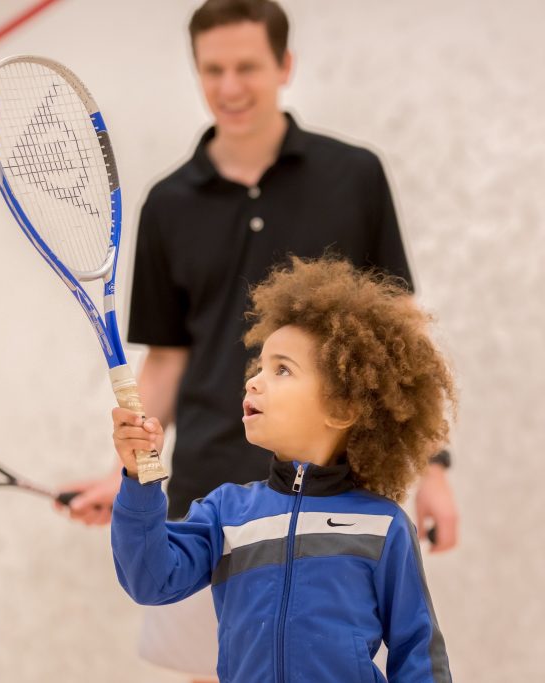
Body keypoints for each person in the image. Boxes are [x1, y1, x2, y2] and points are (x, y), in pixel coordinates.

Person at [58, 0, 459, 678]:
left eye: (247, 66)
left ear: (285, 66)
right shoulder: (167, 203)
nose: (230, 86)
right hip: (202, 483)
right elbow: (169, 359)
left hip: (339, 491)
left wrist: (437, 469)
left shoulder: (354, 174)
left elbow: (402, 343)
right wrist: (130, 477)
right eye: (212, 69)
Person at [111, 257, 455, 683]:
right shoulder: (226, 512)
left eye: (282, 370)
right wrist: (138, 481)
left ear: (342, 408)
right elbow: (150, 579)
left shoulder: (382, 527)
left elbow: (417, 652)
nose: (254, 381)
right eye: (259, 367)